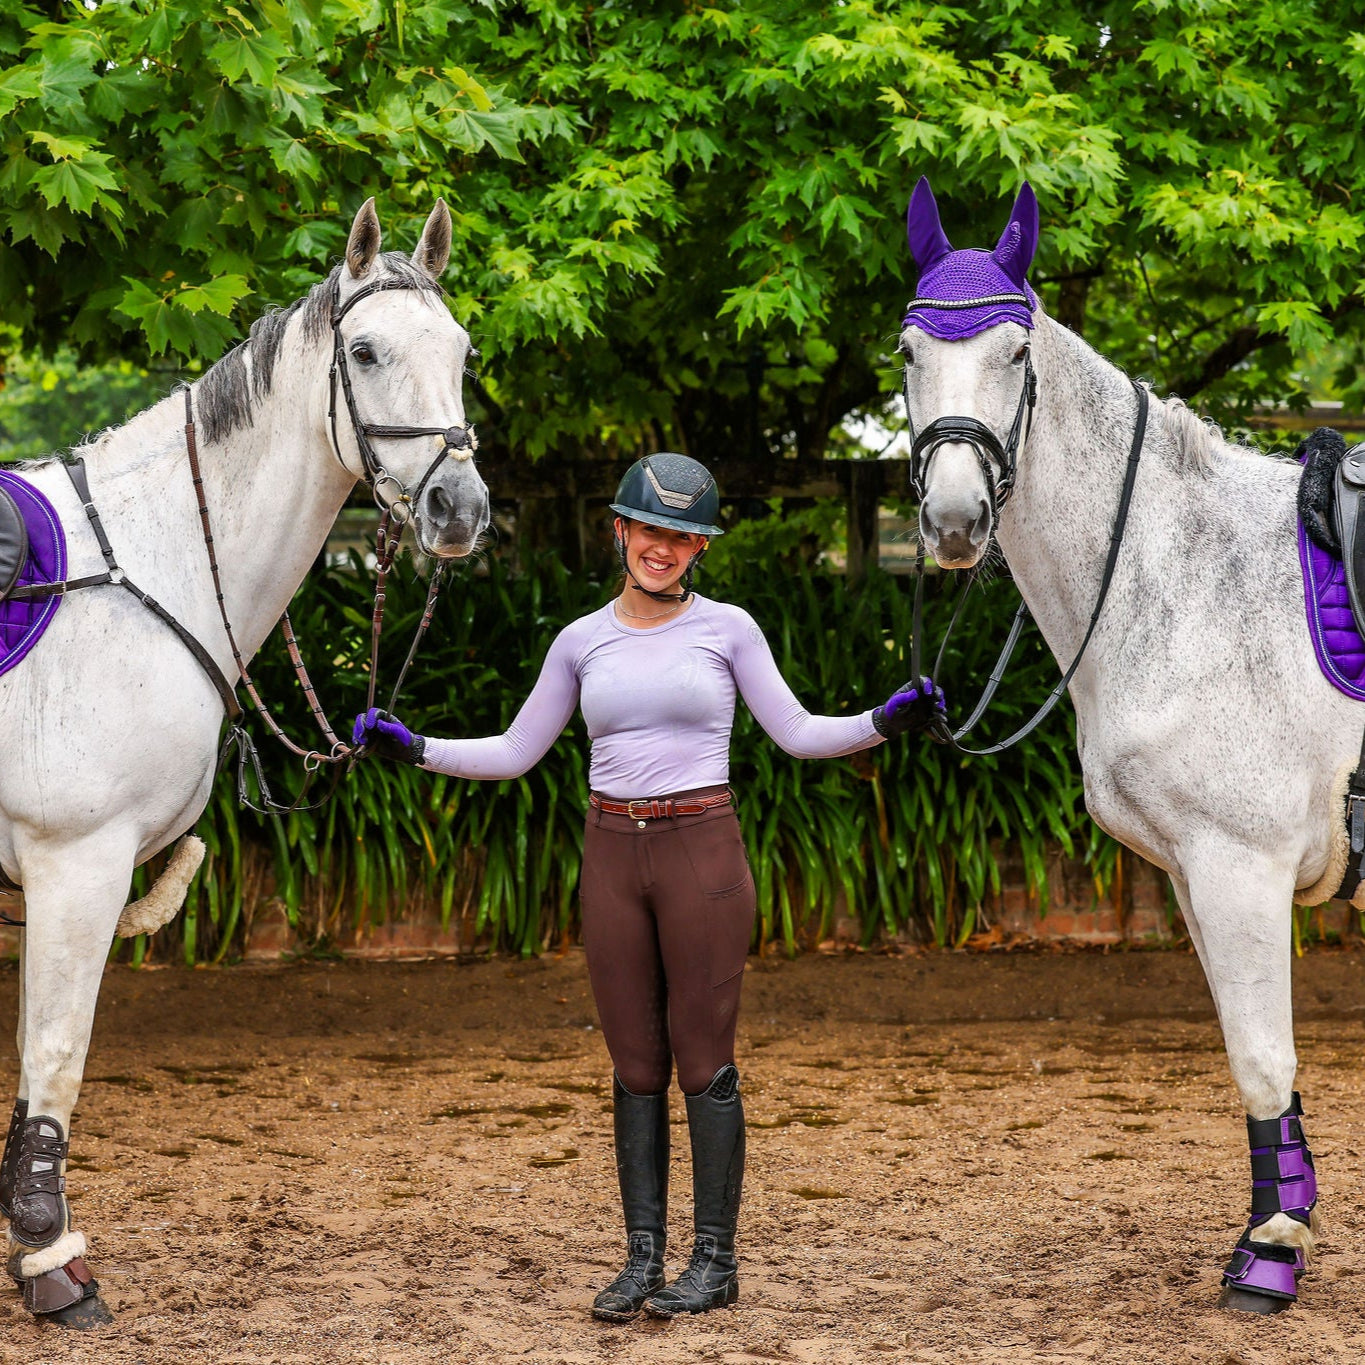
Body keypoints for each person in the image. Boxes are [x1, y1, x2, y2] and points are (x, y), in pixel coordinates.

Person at [353, 453, 945, 1321]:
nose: (661, 548)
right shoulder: (580, 640)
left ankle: (714, 1262)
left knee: (702, 1060)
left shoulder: (728, 629)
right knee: (634, 1065)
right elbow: (515, 750)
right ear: (620, 529)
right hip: (610, 857)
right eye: (649, 529)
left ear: (699, 548)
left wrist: (882, 722)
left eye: (681, 535)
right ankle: (641, 1258)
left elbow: (794, 731)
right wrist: (416, 748)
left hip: (700, 853)